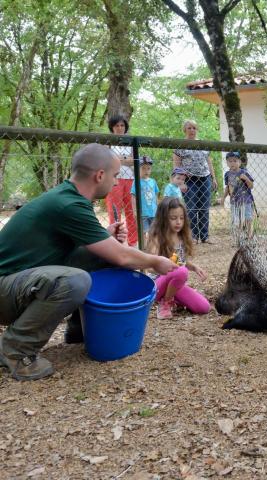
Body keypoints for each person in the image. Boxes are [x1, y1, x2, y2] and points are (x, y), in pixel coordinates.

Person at [0, 144, 177, 381]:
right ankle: (15, 350)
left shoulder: (68, 198)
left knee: (100, 255)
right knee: (74, 281)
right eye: (115, 176)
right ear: (99, 175)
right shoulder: (70, 205)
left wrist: (104, 235)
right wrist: (156, 261)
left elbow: (96, 251)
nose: (116, 183)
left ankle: (80, 329)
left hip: (16, 283)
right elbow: (122, 256)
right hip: (6, 289)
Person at [146, 198, 210, 319]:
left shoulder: (181, 237)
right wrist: (166, 268)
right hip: (156, 286)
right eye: (173, 218)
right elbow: (149, 267)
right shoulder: (157, 238)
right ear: (163, 219)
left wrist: (194, 267)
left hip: (175, 281)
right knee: (181, 271)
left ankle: (174, 298)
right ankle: (165, 303)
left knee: (203, 307)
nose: (178, 222)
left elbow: (181, 262)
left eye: (181, 218)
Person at [173, 120, 218, 243]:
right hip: (189, 180)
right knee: (191, 208)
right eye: (189, 128)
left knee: (204, 208)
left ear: (197, 129)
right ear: (185, 130)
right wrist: (180, 182)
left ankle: (205, 236)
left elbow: (209, 162)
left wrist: (213, 178)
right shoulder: (180, 145)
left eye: (194, 128)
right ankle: (192, 236)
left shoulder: (202, 144)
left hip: (205, 178)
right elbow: (176, 165)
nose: (192, 130)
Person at [105, 114, 138, 246]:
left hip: (130, 179)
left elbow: (134, 161)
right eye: (117, 125)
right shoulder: (108, 142)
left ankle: (133, 242)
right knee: (114, 211)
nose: (120, 128)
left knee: (131, 211)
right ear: (112, 128)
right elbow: (109, 162)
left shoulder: (130, 142)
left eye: (122, 125)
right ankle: (115, 242)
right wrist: (125, 160)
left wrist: (118, 159)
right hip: (114, 180)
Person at [222, 151, 255, 243]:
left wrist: (246, 178)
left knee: (248, 218)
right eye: (230, 161)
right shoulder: (227, 174)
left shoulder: (244, 172)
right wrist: (224, 198)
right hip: (234, 201)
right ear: (227, 163)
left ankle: (249, 236)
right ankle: (238, 237)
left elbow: (251, 186)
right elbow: (228, 187)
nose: (232, 163)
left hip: (246, 199)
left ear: (239, 162)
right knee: (236, 220)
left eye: (235, 161)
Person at [130, 156, 159, 235]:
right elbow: (133, 196)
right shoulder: (136, 182)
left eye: (148, 168)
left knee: (153, 232)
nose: (146, 171)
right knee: (143, 232)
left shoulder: (153, 181)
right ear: (137, 169)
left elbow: (156, 195)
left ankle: (151, 247)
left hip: (153, 212)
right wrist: (135, 210)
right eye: (143, 168)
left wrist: (158, 208)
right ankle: (144, 247)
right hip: (142, 213)